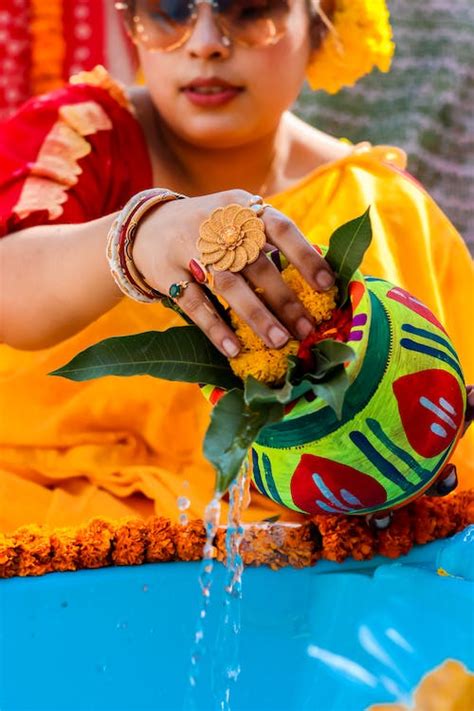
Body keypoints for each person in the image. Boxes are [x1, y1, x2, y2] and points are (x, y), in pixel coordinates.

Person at [0, 0, 472, 535]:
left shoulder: (381, 205)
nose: (205, 42)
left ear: (325, 24)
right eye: (170, 11)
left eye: (249, 10)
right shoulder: (82, 135)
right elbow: (9, 286)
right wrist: (137, 238)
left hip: (307, 558)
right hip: (54, 523)